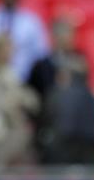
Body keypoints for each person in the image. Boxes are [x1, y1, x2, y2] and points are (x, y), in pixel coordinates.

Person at [27, 18, 90, 162]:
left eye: (69, 34)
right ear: (54, 37)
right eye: (62, 34)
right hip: (50, 127)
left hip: (77, 127)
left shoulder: (81, 62)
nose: (67, 38)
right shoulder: (41, 66)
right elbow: (34, 95)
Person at [0, 35, 39, 171]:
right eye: (8, 49)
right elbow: (1, 104)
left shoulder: (10, 73)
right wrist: (17, 99)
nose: (12, 53)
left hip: (19, 134)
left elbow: (32, 100)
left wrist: (20, 98)